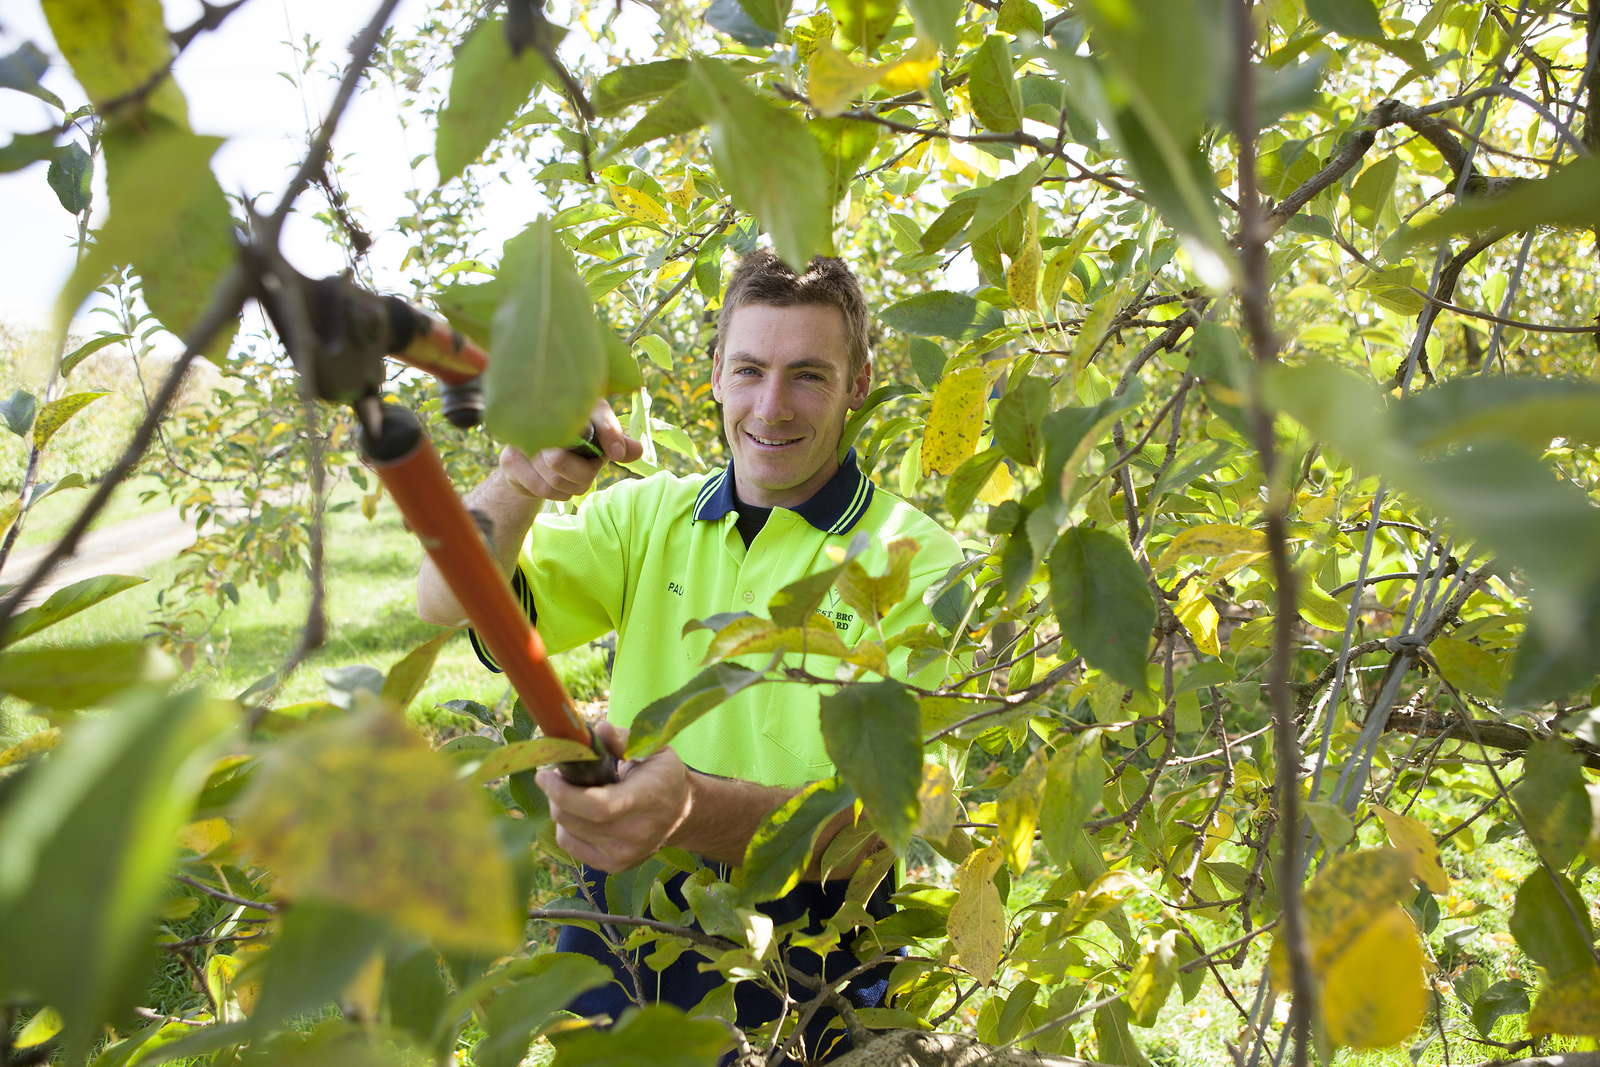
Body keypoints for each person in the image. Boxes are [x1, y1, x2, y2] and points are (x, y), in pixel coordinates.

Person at [416, 251, 963, 1061]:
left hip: (813, 944)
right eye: (749, 370)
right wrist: (518, 479)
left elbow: (893, 833)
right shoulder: (647, 515)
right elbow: (443, 597)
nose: (770, 407)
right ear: (715, 374)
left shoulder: (918, 555)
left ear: (858, 384)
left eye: (808, 375)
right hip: (630, 911)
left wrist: (688, 811)